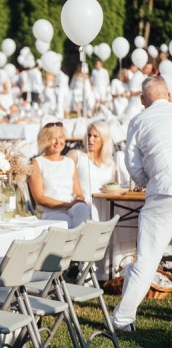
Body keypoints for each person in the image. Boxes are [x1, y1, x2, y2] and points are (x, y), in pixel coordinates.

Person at [112, 75, 172, 332]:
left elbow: (133, 166)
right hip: (162, 189)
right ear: (169, 95)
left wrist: (152, 179)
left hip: (162, 192)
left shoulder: (138, 120)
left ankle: (122, 320)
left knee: (146, 260)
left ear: (142, 100)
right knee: (146, 261)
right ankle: (123, 316)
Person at [28, 122, 91, 227]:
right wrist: (66, 205)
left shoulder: (69, 162)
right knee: (66, 222)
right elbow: (39, 198)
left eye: (60, 137)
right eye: (53, 138)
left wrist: (79, 199)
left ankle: (82, 242)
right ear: (45, 140)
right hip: (51, 212)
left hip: (71, 208)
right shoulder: (37, 163)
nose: (58, 142)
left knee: (82, 209)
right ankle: (78, 241)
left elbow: (78, 193)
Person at [68, 121, 116, 219]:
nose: (90, 139)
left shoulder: (111, 164)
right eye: (89, 135)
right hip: (80, 206)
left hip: (104, 207)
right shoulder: (76, 156)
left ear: (104, 139)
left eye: (95, 136)